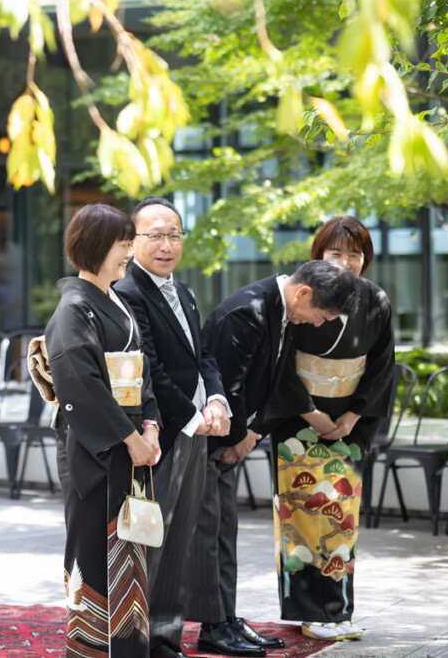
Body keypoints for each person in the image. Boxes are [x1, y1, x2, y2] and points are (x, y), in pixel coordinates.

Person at [188, 260, 358, 657]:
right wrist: (237, 440)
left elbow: (273, 383)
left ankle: (224, 617)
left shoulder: (280, 311)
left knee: (224, 533)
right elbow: (225, 389)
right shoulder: (246, 312)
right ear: (303, 294)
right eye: (321, 316)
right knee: (209, 535)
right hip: (212, 438)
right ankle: (213, 625)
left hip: (236, 436)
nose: (317, 324)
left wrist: (252, 435)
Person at [264, 217, 394, 642]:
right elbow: (279, 363)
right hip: (298, 421)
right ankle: (308, 611)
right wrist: (309, 412)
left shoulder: (375, 300)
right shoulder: (298, 301)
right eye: (335, 254)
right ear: (317, 256)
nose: (345, 262)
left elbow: (381, 367)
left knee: (342, 520)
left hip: (349, 424)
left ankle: (338, 610)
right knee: (302, 516)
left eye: (354, 255)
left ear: (366, 259)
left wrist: (355, 416)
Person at [111, 197, 230, 658]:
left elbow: (202, 357)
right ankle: (135, 640)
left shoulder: (184, 291)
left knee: (179, 538)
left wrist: (217, 400)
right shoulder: (127, 291)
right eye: (155, 235)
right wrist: (194, 418)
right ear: (132, 241)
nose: (167, 245)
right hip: (159, 431)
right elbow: (150, 370)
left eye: (174, 234)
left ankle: (163, 637)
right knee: (148, 540)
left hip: (193, 430)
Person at [45, 202, 161, 658]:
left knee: (131, 542)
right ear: (94, 247)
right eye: (123, 245)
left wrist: (150, 426)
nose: (130, 254)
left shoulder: (116, 302)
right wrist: (129, 438)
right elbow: (82, 385)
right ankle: (92, 649)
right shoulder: (74, 309)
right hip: (97, 449)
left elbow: (142, 373)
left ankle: (130, 646)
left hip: (131, 443)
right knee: (94, 548)